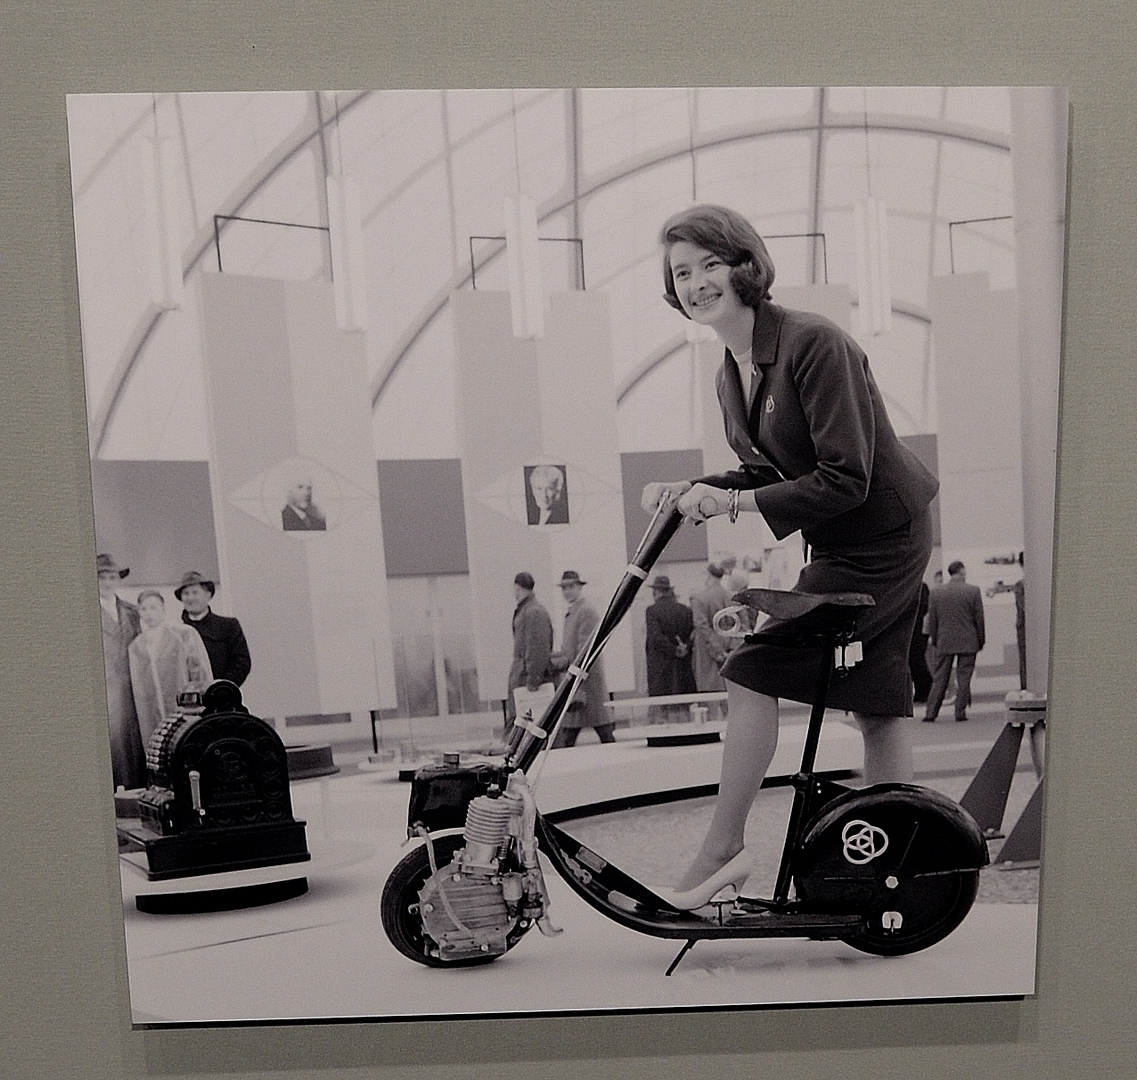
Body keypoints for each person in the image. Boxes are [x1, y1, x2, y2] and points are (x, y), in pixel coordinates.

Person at [641, 204, 938, 908]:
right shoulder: (731, 371)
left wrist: (729, 506)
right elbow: (766, 470)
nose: (695, 283)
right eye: (681, 273)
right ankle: (892, 868)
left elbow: (845, 476)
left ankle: (723, 849)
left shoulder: (813, 343)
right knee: (878, 703)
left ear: (745, 265)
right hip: (841, 538)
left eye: (710, 264)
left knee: (751, 669)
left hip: (882, 537)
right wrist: (694, 488)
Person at [128, 590, 214, 745]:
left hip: (186, 710)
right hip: (153, 716)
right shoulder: (136, 647)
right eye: (144, 609)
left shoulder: (183, 634)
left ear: (163, 609)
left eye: (153, 608)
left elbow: (201, 673)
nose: (148, 613)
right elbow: (138, 689)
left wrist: (198, 705)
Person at [549, 571, 616, 747]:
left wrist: (567, 666)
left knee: (598, 729)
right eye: (564, 588)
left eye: (571, 587)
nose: (567, 591)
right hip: (580, 680)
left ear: (579, 587)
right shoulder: (574, 611)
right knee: (592, 729)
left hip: (586, 681)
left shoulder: (586, 611)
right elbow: (571, 649)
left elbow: (585, 649)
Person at [97, 553, 145, 790]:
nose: (108, 583)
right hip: (105, 688)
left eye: (112, 577)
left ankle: (138, 790)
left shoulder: (132, 611)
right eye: (102, 577)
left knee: (135, 738)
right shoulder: (83, 611)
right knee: (113, 742)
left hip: (133, 686)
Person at [923, 561, 986, 722]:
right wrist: (980, 640)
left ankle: (931, 713)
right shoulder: (973, 591)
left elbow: (933, 620)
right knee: (964, 678)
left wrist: (935, 639)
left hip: (944, 641)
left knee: (940, 678)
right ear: (962, 571)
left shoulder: (936, 593)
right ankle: (960, 712)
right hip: (968, 640)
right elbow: (979, 619)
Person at [175, 571, 252, 686]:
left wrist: (220, 687)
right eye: (186, 593)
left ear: (208, 595)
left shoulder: (228, 626)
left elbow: (242, 662)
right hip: (187, 696)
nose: (190, 598)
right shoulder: (176, 632)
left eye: (195, 592)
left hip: (222, 694)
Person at [505, 572, 555, 741]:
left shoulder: (533, 612)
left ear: (517, 587)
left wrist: (533, 680)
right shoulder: (529, 610)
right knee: (522, 728)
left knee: (528, 729)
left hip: (526, 681)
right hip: (523, 678)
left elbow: (537, 649)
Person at [644, 575, 696, 718]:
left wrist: (673, 650)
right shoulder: (685, 610)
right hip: (683, 666)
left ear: (656, 591)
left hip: (660, 668)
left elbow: (656, 637)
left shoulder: (652, 611)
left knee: (662, 709)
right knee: (683, 708)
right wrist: (684, 648)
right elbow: (692, 634)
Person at [689, 563, 732, 698]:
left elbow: (701, 626)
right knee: (728, 693)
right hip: (730, 650)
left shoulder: (700, 598)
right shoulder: (731, 597)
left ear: (708, 575)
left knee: (710, 694)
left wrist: (717, 650)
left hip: (708, 653)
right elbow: (742, 624)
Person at [908, 579, 933, 704]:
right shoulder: (922, 587)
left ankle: (925, 690)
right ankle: (922, 691)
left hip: (916, 630)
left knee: (916, 660)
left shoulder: (917, 587)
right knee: (916, 661)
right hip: (918, 630)